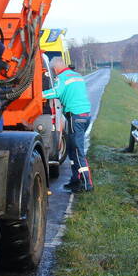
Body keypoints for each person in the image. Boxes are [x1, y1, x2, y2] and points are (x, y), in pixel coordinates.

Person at [43, 56, 93, 193]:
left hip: (74, 117)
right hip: (85, 116)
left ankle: (86, 183)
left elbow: (56, 92)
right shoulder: (77, 76)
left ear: (55, 68)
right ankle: (75, 180)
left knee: (77, 150)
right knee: (71, 149)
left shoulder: (62, 77)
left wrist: (39, 94)